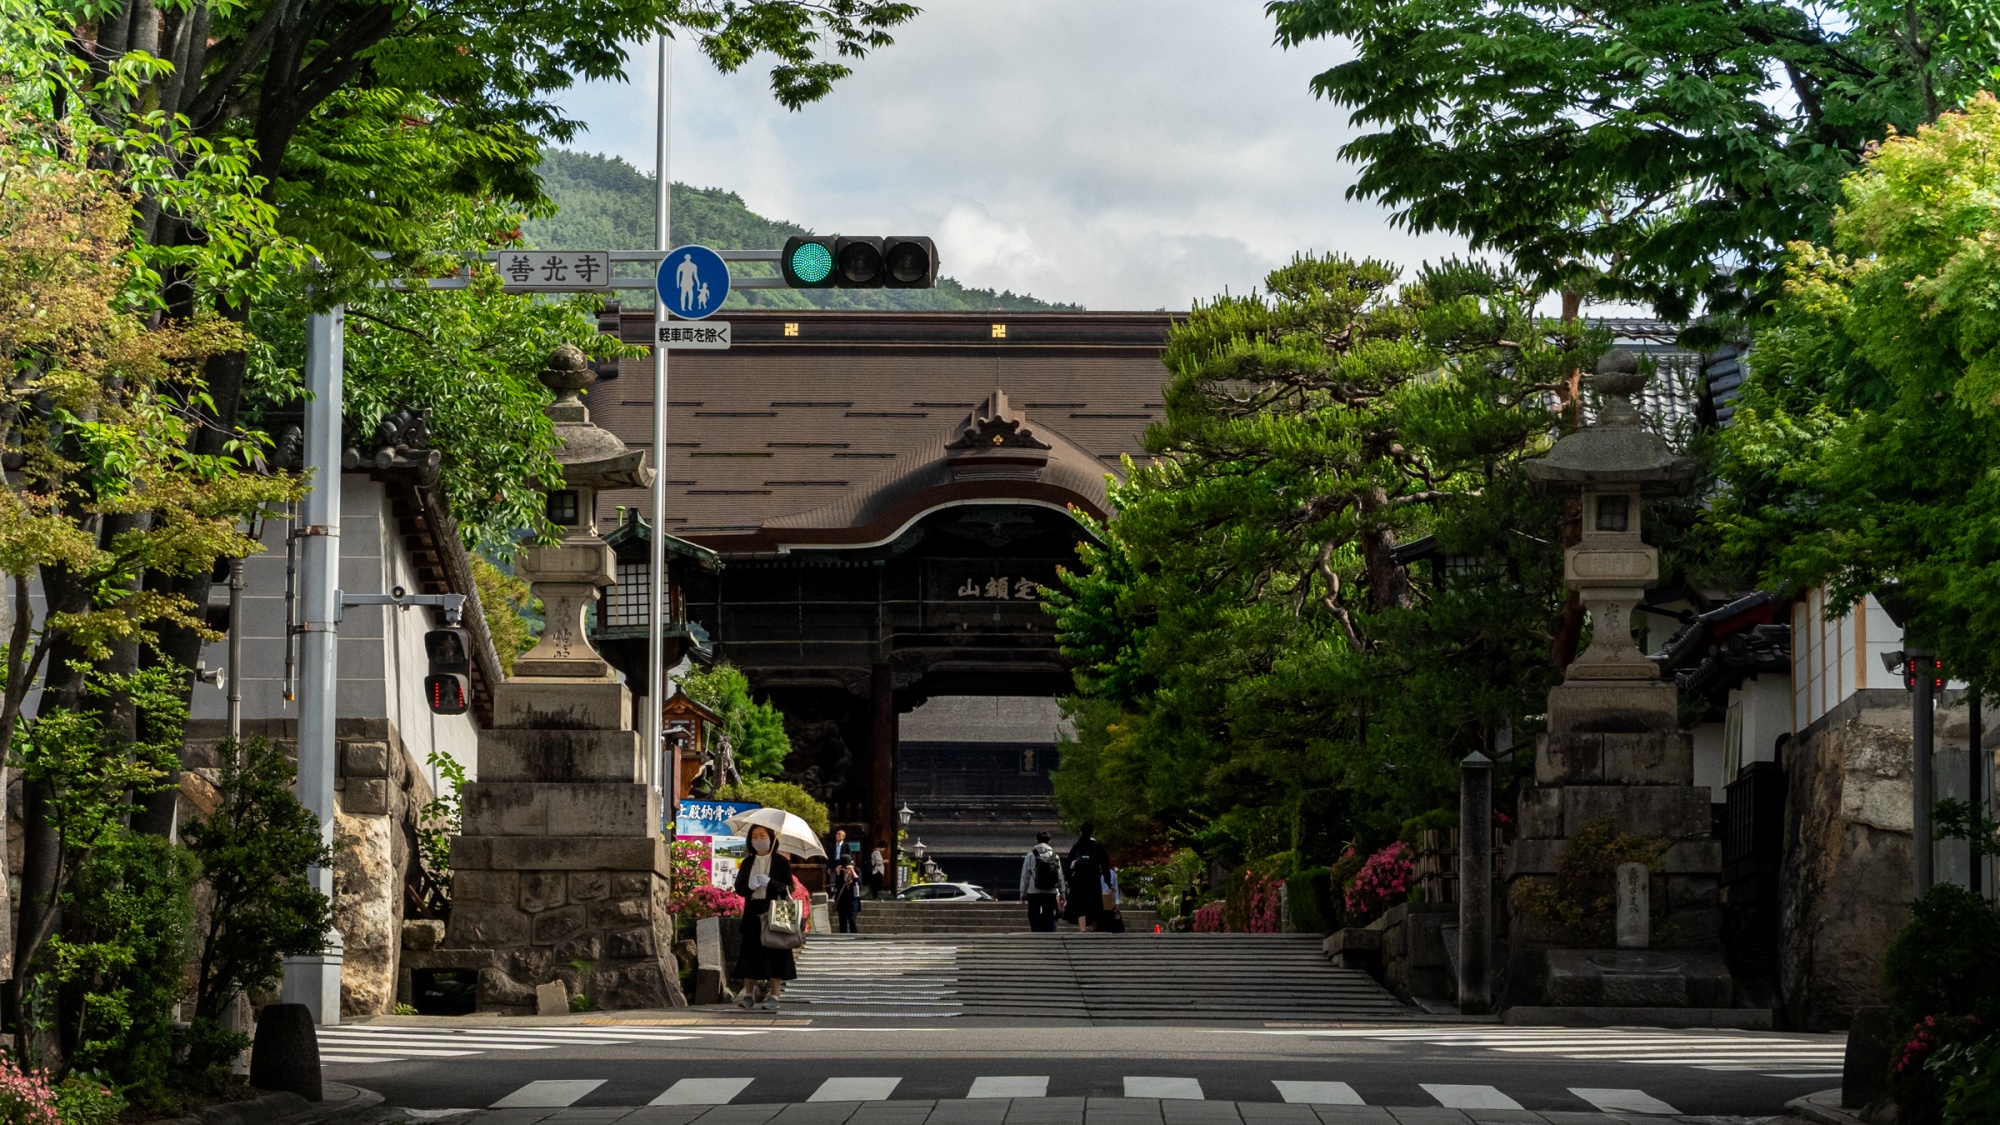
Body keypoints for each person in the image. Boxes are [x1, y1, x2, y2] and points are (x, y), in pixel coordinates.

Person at [730, 824, 798, 1010]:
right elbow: (740, 888)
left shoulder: (780, 862)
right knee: (750, 953)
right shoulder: (747, 862)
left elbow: (789, 888)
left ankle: (774, 995)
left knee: (776, 951)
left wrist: (771, 883)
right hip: (753, 911)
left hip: (774, 910)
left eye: (762, 835)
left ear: (771, 838)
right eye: (754, 836)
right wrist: (750, 886)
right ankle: (749, 994)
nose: (758, 839)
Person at [1063, 823, 1113, 932]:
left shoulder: (1076, 846)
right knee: (1095, 905)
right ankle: (1093, 929)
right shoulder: (1097, 846)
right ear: (1092, 832)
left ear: (1081, 831)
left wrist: (1070, 880)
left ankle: (1082, 930)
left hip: (1079, 880)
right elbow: (1105, 865)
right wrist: (1108, 881)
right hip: (1093, 880)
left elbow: (1068, 867)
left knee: (1081, 905)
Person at [1019, 831, 1065, 932]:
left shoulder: (1031, 855)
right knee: (1048, 914)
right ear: (1049, 841)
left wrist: (1023, 892)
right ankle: (1047, 933)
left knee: (1033, 913)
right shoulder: (1055, 856)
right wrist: (1062, 893)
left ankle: (1035, 931)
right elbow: (1060, 876)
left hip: (1033, 890)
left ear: (1037, 840)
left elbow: (1025, 875)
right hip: (1050, 890)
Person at [834, 854, 863, 933]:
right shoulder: (840, 872)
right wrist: (838, 873)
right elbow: (837, 885)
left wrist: (852, 871)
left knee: (852, 921)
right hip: (842, 899)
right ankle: (842, 939)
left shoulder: (857, 870)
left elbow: (859, 882)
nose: (845, 868)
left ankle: (854, 938)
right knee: (842, 922)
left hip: (852, 899)